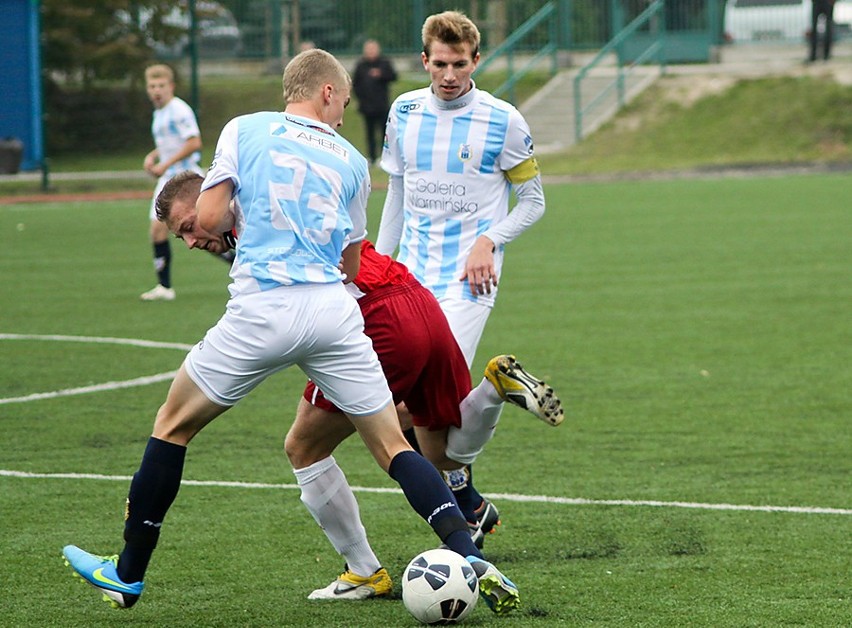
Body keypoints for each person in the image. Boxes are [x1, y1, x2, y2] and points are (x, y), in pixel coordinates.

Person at [62, 48, 519, 616]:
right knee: (393, 445)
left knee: (172, 426)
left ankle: (127, 572)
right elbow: (352, 267)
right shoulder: (352, 160)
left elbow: (206, 220)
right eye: (344, 102)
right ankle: (468, 555)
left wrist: (237, 225)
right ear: (326, 92)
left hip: (265, 307)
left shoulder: (244, 128)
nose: (342, 112)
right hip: (335, 311)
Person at [153, 170, 563, 601]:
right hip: (415, 298)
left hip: (374, 318)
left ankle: (365, 570)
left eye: (188, 227)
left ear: (210, 201)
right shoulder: (277, 194)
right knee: (439, 451)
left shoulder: (255, 224)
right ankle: (493, 391)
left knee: (307, 447)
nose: (191, 242)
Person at [140, 64, 204, 301]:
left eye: (161, 86)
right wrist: (154, 156)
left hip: (184, 178)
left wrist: (165, 165)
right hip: (169, 178)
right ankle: (164, 287)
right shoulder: (160, 112)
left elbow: (194, 142)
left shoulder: (179, 110)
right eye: (152, 86)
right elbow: (171, 141)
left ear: (171, 87)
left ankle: (237, 260)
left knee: (207, 227)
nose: (156, 90)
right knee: (158, 230)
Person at [352, 39, 397, 165]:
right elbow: (355, 84)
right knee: (369, 132)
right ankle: (371, 157)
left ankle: (385, 156)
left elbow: (393, 76)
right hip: (367, 105)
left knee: (384, 131)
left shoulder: (384, 63)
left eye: (373, 49)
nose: (371, 52)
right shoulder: (361, 65)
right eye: (368, 49)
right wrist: (359, 98)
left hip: (382, 104)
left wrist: (381, 74)